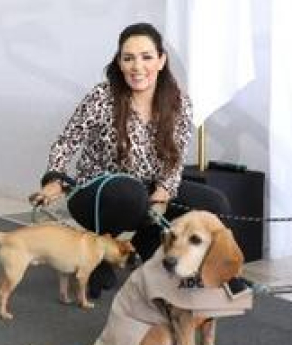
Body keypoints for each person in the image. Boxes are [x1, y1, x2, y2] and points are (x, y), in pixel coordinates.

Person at [33, 22, 231, 297]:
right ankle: (100, 254)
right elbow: (66, 142)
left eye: (146, 57)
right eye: (128, 58)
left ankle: (134, 253)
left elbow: (175, 159)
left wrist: (163, 193)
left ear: (161, 61)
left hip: (147, 193)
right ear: (119, 62)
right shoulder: (102, 97)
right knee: (131, 193)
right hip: (98, 193)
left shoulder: (180, 103)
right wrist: (54, 178)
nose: (137, 67)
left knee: (214, 203)